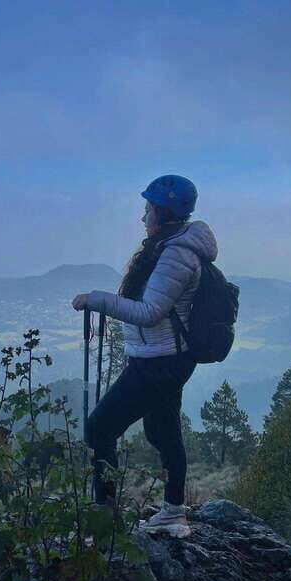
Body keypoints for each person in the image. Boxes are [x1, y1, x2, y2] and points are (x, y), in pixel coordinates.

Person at [71, 174, 217, 531]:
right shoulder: (171, 247)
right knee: (163, 431)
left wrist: (97, 300)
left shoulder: (176, 254)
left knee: (98, 429)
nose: (143, 216)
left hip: (159, 363)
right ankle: (173, 512)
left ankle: (104, 515)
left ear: (162, 212)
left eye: (148, 208)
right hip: (165, 359)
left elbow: (150, 313)